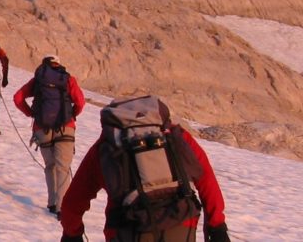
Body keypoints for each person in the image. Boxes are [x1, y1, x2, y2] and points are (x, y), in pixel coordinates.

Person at [59, 95, 230, 242]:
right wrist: (217, 227)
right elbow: (206, 179)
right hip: (180, 226)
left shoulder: (106, 147)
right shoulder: (174, 136)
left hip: (127, 230)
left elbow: (73, 202)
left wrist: (72, 234)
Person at [14, 54, 86, 214]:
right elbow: (80, 102)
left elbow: (18, 98)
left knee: (50, 166)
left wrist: (31, 113)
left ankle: (52, 203)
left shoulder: (38, 80)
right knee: (63, 168)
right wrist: (71, 115)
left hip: (42, 128)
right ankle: (62, 208)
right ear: (58, 65)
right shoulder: (68, 79)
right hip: (65, 127)